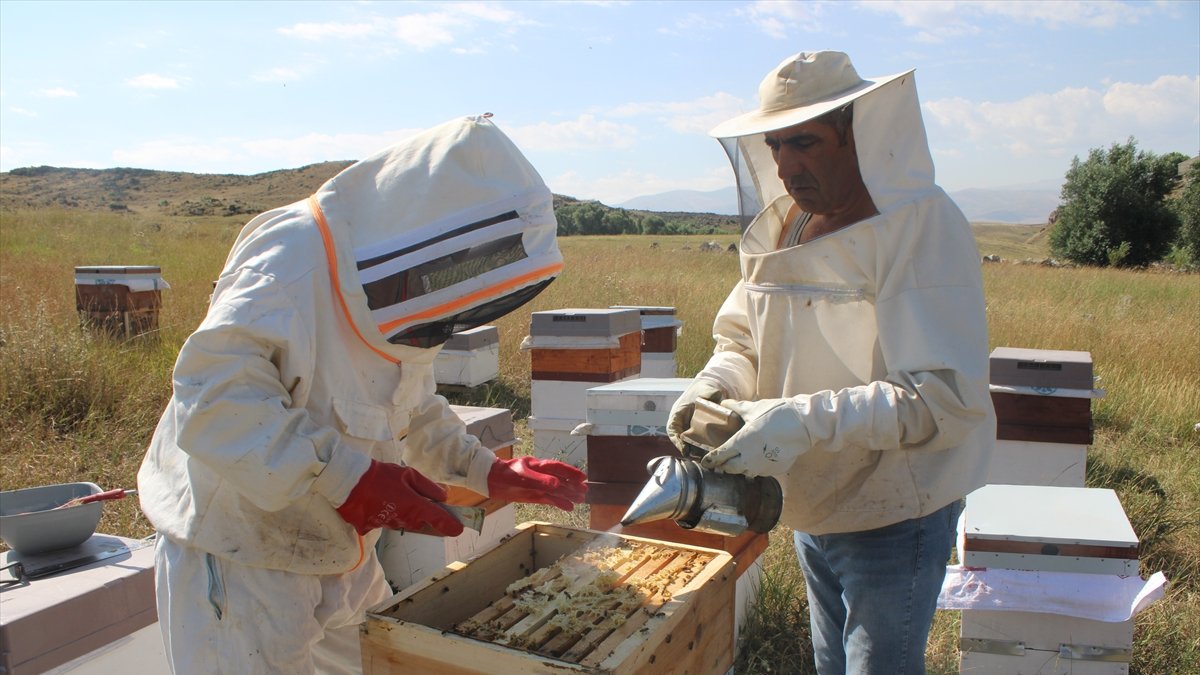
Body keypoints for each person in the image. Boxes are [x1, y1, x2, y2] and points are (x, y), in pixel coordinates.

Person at [137, 114, 587, 674]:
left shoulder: (401, 300)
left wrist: (483, 470)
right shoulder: (291, 263)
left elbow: (409, 406)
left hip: (342, 550)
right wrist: (348, 478)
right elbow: (214, 401)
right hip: (242, 559)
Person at [667, 51, 995, 674]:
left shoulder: (920, 228)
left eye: (806, 143)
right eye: (775, 146)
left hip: (896, 506)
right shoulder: (785, 226)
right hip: (808, 493)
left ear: (857, 134)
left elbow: (944, 398)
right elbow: (744, 338)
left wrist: (797, 422)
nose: (787, 166)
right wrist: (713, 386)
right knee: (830, 663)